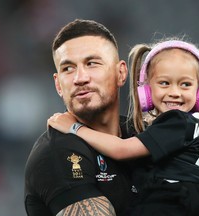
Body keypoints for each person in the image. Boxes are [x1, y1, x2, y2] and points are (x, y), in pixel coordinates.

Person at [48, 39, 199, 215]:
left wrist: (75, 128)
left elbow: (122, 150)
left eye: (185, 84)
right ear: (147, 90)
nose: (175, 92)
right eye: (165, 83)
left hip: (173, 204)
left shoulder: (177, 121)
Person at [24, 19, 136, 216]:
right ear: (58, 85)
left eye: (92, 63)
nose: (80, 78)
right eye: (68, 68)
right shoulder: (56, 152)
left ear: (121, 73)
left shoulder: (140, 133)